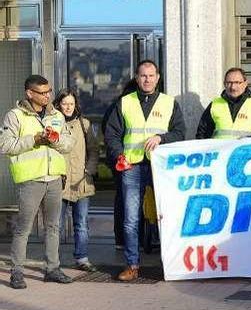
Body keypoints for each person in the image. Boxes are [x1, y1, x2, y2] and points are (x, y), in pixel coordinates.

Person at [104, 60, 186, 281]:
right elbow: (111, 134)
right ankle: (132, 265)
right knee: (131, 219)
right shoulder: (124, 102)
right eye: (143, 76)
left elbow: (180, 132)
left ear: (158, 77)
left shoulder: (169, 103)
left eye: (151, 76)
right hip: (131, 167)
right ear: (137, 78)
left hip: (161, 168)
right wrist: (119, 155)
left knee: (167, 216)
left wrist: (162, 138)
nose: (147, 79)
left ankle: (171, 265)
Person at [0, 75, 74, 289]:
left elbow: (69, 143)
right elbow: (5, 146)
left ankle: (52, 269)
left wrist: (55, 140)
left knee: (53, 226)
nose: (48, 95)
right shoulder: (15, 116)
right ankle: (17, 273)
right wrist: (34, 140)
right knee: (23, 228)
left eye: (49, 91)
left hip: (54, 179)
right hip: (31, 180)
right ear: (30, 94)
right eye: (43, 93)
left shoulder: (56, 115)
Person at [55, 89, 100, 272]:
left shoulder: (85, 124)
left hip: (81, 181)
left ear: (76, 105)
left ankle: (82, 258)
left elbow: (94, 150)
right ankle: (53, 261)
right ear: (58, 104)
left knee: (81, 223)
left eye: (71, 104)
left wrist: (89, 169)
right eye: (65, 103)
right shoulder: (52, 123)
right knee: (55, 225)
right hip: (59, 181)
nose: (68, 107)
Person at [102, 79, 138, 251]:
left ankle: (121, 240)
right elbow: (110, 134)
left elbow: (106, 131)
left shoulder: (115, 105)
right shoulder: (124, 106)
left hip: (120, 160)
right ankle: (130, 239)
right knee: (127, 203)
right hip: (125, 161)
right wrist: (120, 155)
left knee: (122, 200)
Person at [196, 67, 251, 139]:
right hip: (223, 154)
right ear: (224, 84)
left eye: (237, 82)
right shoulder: (215, 105)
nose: (233, 87)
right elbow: (202, 135)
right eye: (229, 83)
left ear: (245, 84)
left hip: (249, 154)